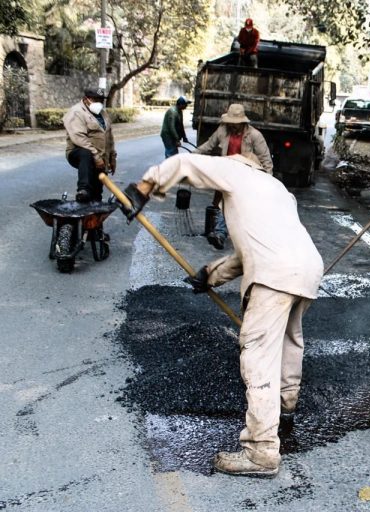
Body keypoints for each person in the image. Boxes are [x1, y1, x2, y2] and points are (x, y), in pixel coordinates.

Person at [118, 152, 324, 478]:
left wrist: (145, 186)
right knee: (289, 339)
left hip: (275, 274)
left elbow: (185, 163)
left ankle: (261, 451)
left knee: (258, 355)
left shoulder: (233, 171)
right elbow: (254, 251)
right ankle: (286, 402)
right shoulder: (276, 190)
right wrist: (210, 275)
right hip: (308, 269)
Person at [194, 103, 273, 249]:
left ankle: (226, 233)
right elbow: (208, 145)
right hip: (227, 173)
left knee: (240, 205)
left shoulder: (254, 135)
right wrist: (193, 155)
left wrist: (268, 181)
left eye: (234, 123)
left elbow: (265, 159)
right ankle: (220, 233)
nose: (231, 125)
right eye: (230, 122)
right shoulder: (223, 130)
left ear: (242, 122)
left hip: (246, 175)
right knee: (224, 201)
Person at [63, 87, 116, 203]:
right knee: (86, 153)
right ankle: (83, 189)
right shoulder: (76, 112)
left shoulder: (103, 114)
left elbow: (109, 137)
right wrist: (96, 157)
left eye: (101, 100)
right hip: (79, 153)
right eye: (95, 100)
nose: (99, 103)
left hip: (100, 157)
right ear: (86, 99)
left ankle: (94, 210)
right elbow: (79, 138)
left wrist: (112, 158)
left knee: (97, 195)